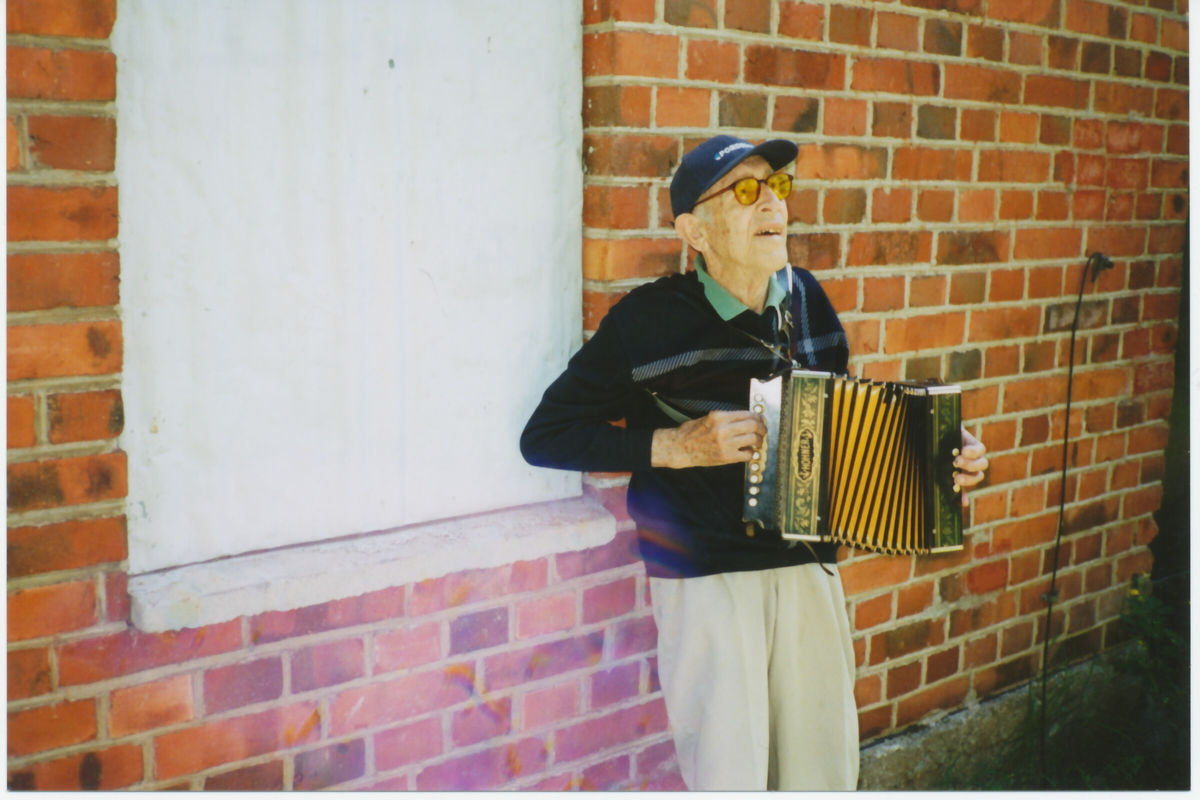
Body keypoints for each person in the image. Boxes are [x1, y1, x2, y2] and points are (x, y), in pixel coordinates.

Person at [520, 135, 989, 790]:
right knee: (730, 777)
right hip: (708, 578)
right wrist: (677, 448)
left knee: (822, 776)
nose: (772, 202)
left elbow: (842, 433)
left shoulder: (808, 300)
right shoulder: (648, 322)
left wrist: (941, 460)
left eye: (777, 187)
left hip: (807, 570)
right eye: (745, 190)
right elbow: (547, 435)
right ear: (694, 231)